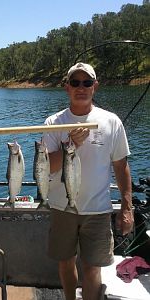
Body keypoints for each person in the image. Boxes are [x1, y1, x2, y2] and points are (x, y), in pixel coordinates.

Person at [43, 62, 134, 300]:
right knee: (65, 262)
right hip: (62, 207)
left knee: (93, 267)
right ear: (67, 88)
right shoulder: (54, 123)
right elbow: (47, 167)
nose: (80, 87)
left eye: (86, 83)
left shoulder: (111, 121)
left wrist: (127, 207)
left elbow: (121, 166)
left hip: (98, 209)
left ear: (95, 87)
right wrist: (69, 145)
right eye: (75, 83)